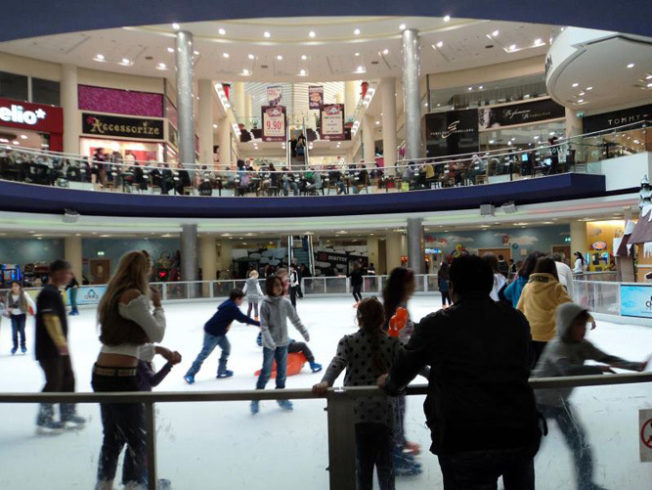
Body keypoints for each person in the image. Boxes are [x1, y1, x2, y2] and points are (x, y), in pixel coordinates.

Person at [379, 255, 542, 490]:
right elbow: (527, 363)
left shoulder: (437, 324)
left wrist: (390, 384)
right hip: (518, 431)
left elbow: (403, 368)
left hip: (463, 437)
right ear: (489, 284)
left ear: (453, 287)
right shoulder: (516, 320)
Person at [533, 303, 648, 490]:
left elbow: (606, 358)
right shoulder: (557, 346)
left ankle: (585, 484)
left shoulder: (583, 346)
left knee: (580, 445)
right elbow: (567, 371)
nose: (583, 328)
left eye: (584, 324)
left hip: (560, 403)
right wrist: (596, 369)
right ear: (566, 325)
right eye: (578, 324)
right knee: (530, 447)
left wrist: (635, 366)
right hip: (537, 403)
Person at [92, 251, 166, 490]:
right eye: (149, 268)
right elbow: (157, 333)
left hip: (102, 372)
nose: (151, 272)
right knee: (138, 439)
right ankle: (134, 485)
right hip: (122, 378)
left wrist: (158, 353)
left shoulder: (112, 296)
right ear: (142, 270)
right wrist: (158, 305)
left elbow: (127, 345)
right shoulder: (134, 297)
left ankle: (104, 485)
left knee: (113, 437)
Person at [313, 298, 401, 490]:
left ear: (358, 319)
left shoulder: (349, 342)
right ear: (382, 319)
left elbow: (337, 362)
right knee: (386, 470)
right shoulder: (392, 344)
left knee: (363, 470)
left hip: (357, 416)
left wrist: (326, 382)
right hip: (383, 416)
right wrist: (434, 375)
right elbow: (410, 365)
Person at [35, 260, 86, 434]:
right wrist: (60, 343)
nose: (70, 276)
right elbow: (50, 319)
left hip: (58, 347)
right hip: (49, 348)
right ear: (56, 273)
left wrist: (62, 345)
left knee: (68, 378)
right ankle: (45, 417)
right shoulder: (48, 293)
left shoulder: (55, 292)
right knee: (54, 381)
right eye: (67, 272)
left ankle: (67, 412)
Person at [382, 267, 422, 476]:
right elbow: (396, 340)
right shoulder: (399, 308)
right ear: (406, 285)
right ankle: (394, 454)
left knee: (398, 409)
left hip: (397, 367)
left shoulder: (400, 306)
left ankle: (400, 442)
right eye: (412, 281)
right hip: (394, 368)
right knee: (395, 409)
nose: (415, 285)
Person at [251, 275, 310, 414]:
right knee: (266, 373)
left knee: (282, 373)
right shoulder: (265, 304)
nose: (279, 287)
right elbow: (263, 326)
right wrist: (270, 341)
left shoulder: (285, 303)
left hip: (283, 343)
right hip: (269, 346)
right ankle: (256, 398)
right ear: (270, 287)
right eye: (275, 285)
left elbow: (295, 319)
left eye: (280, 285)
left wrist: (304, 332)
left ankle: (281, 397)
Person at [184, 289, 260, 384]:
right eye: (242, 299)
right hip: (212, 333)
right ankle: (189, 374)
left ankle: (222, 371)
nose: (242, 301)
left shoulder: (229, 304)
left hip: (220, 333)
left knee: (227, 349)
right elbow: (243, 319)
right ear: (237, 299)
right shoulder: (231, 308)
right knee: (204, 353)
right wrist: (259, 324)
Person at [517, 257, 573, 367]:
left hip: (531, 333)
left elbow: (519, 309)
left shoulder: (527, 287)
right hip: (550, 335)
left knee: (534, 366)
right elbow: (570, 307)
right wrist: (588, 318)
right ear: (553, 270)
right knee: (550, 367)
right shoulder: (556, 287)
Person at [6, 281, 36, 355]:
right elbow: (7, 304)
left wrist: (35, 312)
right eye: (13, 286)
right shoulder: (9, 294)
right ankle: (15, 347)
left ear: (19, 286)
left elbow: (31, 302)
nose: (14, 287)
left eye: (16, 286)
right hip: (13, 315)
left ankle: (23, 346)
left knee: (22, 331)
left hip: (22, 315)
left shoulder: (24, 294)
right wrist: (8, 309)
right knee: (14, 332)